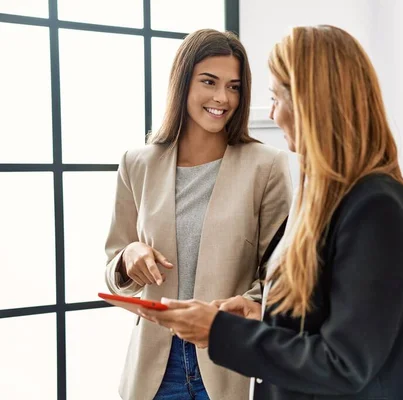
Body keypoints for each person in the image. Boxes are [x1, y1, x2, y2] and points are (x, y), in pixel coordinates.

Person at [140, 25, 403, 400]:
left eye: (276, 98)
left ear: (313, 102)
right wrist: (263, 314)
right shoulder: (321, 197)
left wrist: (219, 331)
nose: (272, 114)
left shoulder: (377, 206)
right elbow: (322, 316)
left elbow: (345, 363)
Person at [104, 28, 292, 400]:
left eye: (234, 86)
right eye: (210, 82)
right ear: (183, 82)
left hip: (230, 366)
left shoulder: (267, 166)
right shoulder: (137, 163)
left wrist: (250, 304)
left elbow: (282, 277)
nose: (222, 98)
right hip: (154, 369)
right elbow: (114, 269)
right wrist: (128, 257)